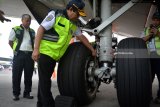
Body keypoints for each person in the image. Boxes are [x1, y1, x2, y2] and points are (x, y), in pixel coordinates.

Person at [32, 0, 96, 107]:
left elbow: (81, 37)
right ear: (71, 9)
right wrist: (36, 49)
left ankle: (40, 104)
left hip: (54, 57)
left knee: (44, 82)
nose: (78, 16)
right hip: (45, 53)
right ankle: (49, 104)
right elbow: (41, 29)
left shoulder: (72, 24)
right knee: (45, 83)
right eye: (78, 13)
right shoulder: (55, 15)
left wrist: (92, 49)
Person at [8, 14, 35, 101]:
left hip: (30, 55)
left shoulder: (32, 31)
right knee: (16, 75)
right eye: (27, 20)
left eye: (29, 21)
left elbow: (35, 42)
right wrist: (16, 50)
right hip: (19, 55)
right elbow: (10, 42)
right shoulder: (16, 29)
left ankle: (27, 93)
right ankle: (16, 94)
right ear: (22, 20)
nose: (28, 22)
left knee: (28, 75)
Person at [142, 12, 160, 104]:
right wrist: (150, 35)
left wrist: (158, 34)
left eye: (158, 20)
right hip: (149, 57)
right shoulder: (146, 29)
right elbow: (142, 40)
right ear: (152, 19)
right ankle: (148, 96)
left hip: (159, 57)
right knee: (148, 79)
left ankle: (159, 97)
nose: (156, 22)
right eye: (155, 19)